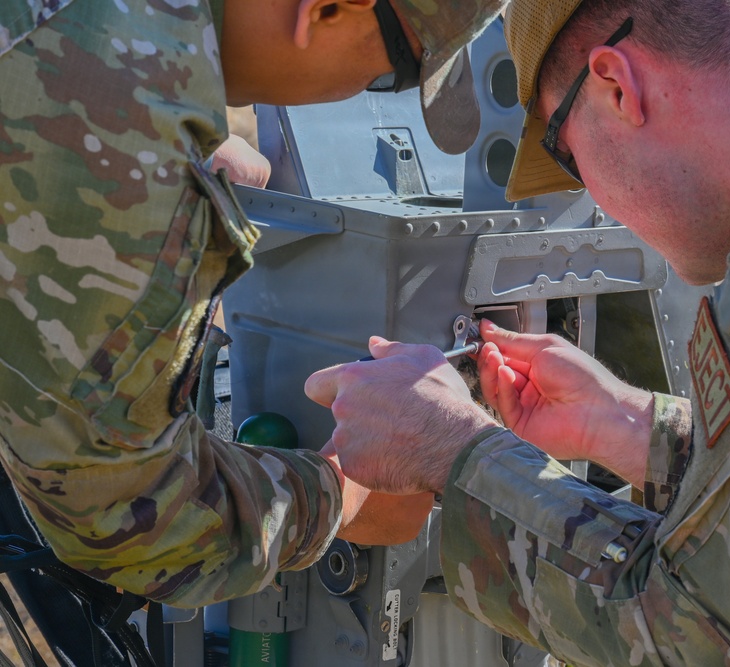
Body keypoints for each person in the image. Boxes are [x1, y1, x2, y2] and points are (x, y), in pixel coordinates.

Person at [304, 0, 730, 664]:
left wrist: (452, 455)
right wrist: (636, 428)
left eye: (567, 155)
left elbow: (717, 641)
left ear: (615, 85)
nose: (594, 198)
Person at [0, 0, 504, 609]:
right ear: (329, 10)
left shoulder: (122, 47)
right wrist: (346, 489)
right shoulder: (125, 125)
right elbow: (123, 517)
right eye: (395, 74)